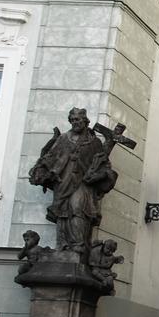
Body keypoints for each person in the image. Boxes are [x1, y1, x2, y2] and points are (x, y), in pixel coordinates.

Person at [28, 108, 118, 255]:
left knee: (78, 208)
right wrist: (42, 170)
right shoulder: (63, 139)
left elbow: (103, 162)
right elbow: (51, 156)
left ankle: (79, 244)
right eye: (73, 120)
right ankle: (62, 245)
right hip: (63, 180)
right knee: (63, 211)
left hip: (83, 182)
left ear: (85, 121)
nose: (75, 122)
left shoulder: (94, 142)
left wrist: (99, 174)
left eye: (78, 119)